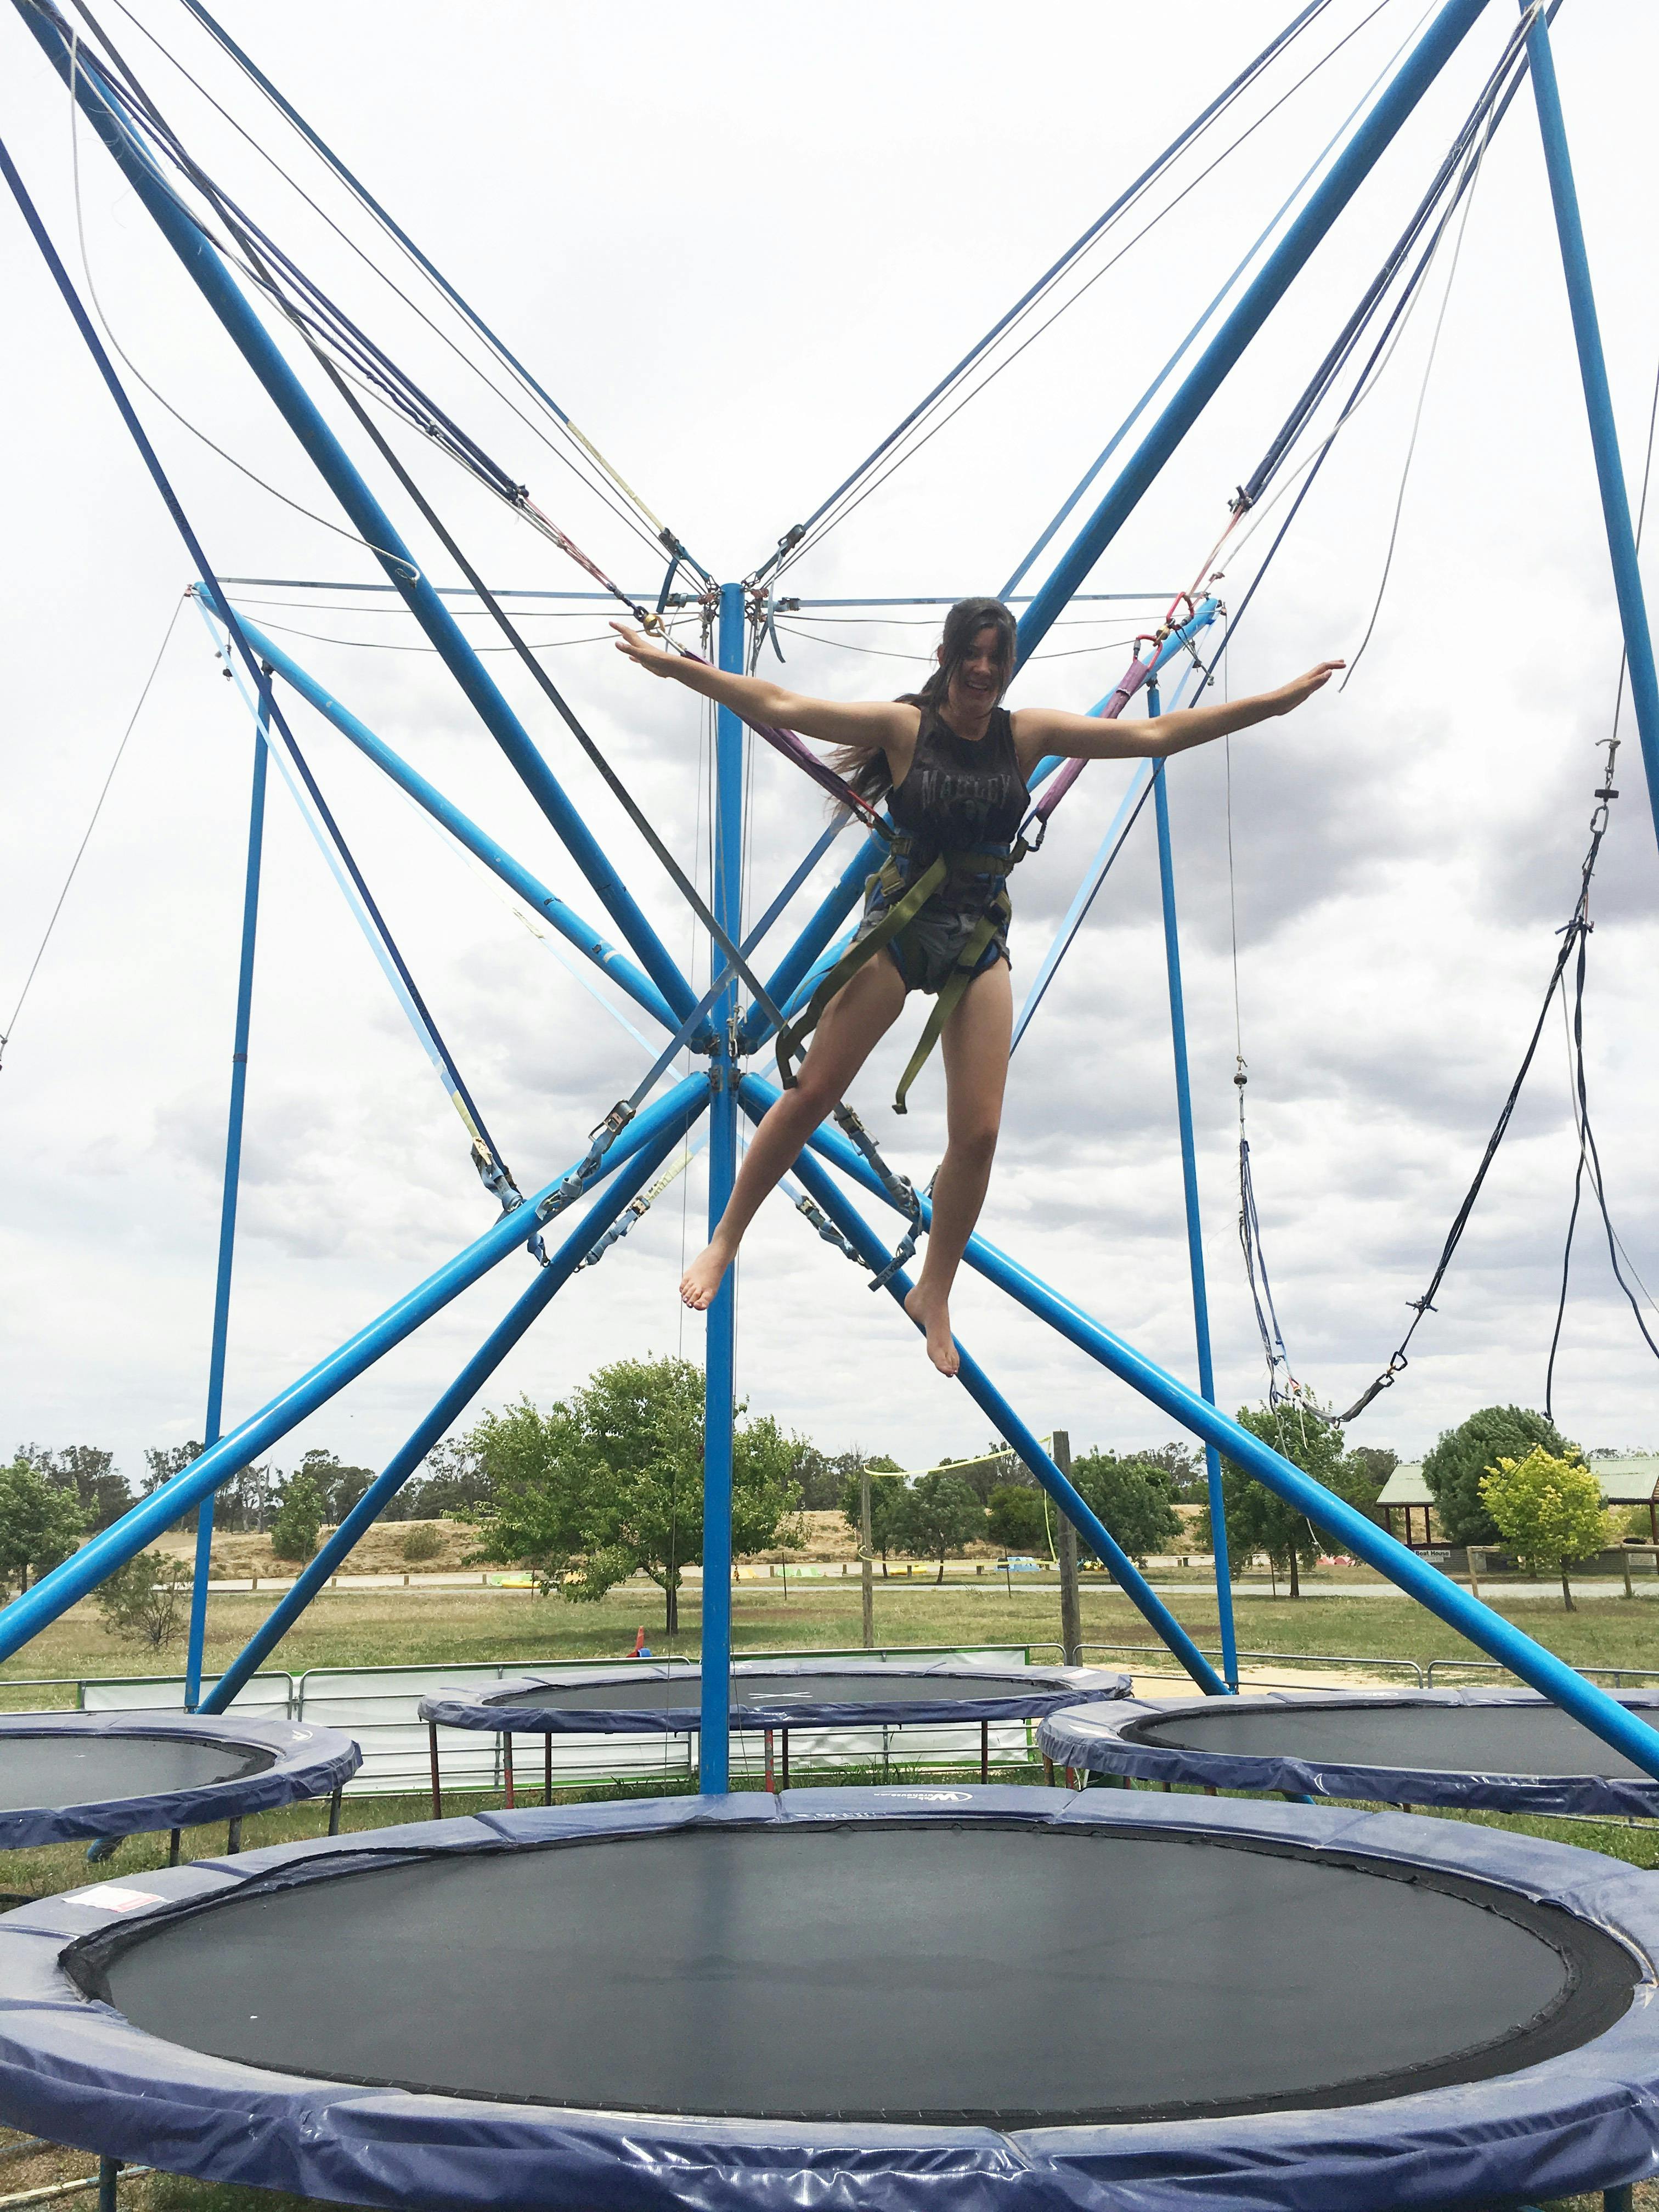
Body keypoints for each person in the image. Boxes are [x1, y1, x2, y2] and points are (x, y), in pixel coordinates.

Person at [613, 598, 1340, 1376]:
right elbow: (785, 706)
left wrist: (1278, 701)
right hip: (901, 930)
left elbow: (1156, 736)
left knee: (981, 1132)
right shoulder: (904, 729)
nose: (985, 671)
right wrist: (680, 668)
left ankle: (936, 1288)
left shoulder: (1025, 736)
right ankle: (726, 1239)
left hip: (978, 941)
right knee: (815, 1089)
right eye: (974, 655)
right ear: (948, 655)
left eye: (999, 657)